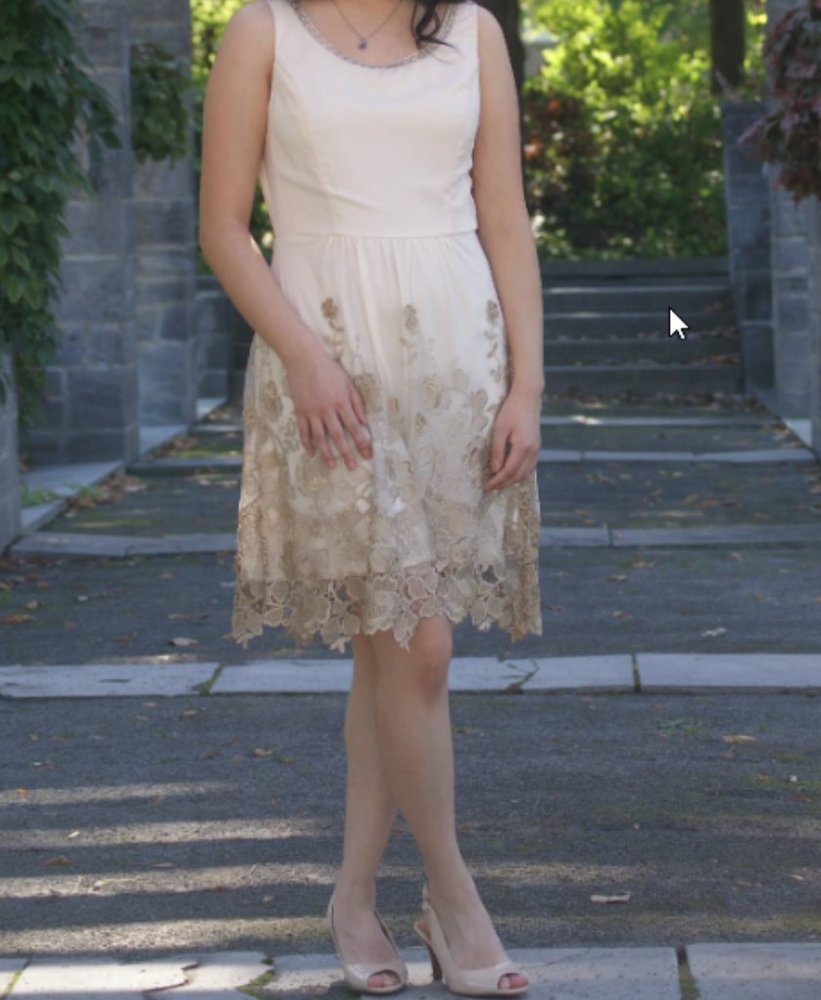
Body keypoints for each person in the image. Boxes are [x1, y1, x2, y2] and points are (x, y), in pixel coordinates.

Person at [198, 0, 544, 994]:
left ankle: (353, 899)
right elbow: (224, 228)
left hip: (455, 370)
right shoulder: (262, 29)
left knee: (389, 648)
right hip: (329, 370)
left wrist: (527, 386)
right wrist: (302, 359)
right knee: (417, 644)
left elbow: (504, 218)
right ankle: (453, 897)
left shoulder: (471, 31)